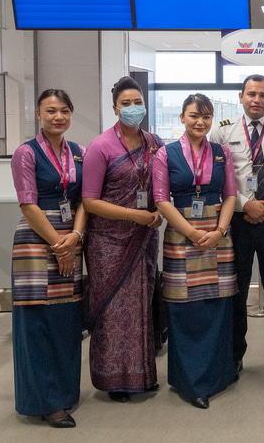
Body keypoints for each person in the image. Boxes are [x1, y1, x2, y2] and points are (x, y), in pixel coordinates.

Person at [153, 94, 239, 409]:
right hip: (181, 234)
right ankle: (191, 382)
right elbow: (161, 199)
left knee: (217, 305)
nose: (200, 122)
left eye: (205, 116)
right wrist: (190, 231)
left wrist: (220, 231)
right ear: (182, 117)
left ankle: (219, 374)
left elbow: (230, 195)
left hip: (218, 235)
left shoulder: (221, 152)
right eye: (193, 116)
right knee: (185, 308)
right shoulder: (165, 153)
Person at [82, 76, 164, 402]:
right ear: (115, 108)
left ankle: (142, 375)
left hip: (145, 237)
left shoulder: (154, 142)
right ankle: (114, 380)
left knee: (142, 305)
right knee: (115, 310)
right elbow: (90, 201)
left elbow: (161, 186)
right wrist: (134, 215)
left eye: (137, 102)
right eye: (126, 103)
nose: (133, 108)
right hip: (109, 242)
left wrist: (158, 211)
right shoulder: (100, 146)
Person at [10, 89, 86, 428]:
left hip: (71, 237)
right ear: (39, 113)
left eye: (65, 111)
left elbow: (85, 200)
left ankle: (65, 392)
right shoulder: (25, 153)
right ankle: (44, 401)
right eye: (51, 111)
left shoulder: (80, 152)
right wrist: (58, 244)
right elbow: (28, 204)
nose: (59, 117)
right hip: (37, 240)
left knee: (66, 319)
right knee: (38, 322)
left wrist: (75, 237)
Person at [210, 74, 264, 378]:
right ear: (241, 97)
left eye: (263, 95)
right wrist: (246, 204)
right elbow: (217, 177)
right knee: (237, 289)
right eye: (251, 94)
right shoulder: (222, 132)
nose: (257, 99)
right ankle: (234, 354)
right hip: (237, 219)